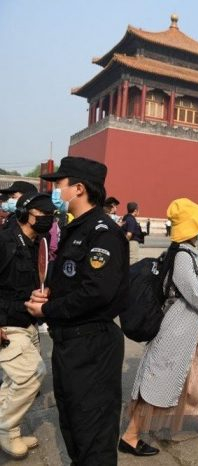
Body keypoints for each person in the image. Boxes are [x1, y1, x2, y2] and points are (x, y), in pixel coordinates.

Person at [119, 198, 198, 456]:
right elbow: (196, 296)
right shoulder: (182, 257)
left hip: (188, 335)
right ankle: (130, 436)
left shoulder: (185, 253)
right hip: (176, 334)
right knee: (156, 385)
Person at [26, 156, 128, 465]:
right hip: (70, 342)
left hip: (92, 344)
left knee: (92, 426)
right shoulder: (75, 228)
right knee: (72, 421)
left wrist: (48, 310)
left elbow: (97, 291)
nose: (56, 190)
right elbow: (73, 279)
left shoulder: (102, 232)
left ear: (79, 188)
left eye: (60, 184)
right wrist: (49, 293)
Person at [0, 193, 54, 459]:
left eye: (50, 216)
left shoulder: (37, 244)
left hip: (28, 322)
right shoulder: (5, 241)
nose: (48, 221)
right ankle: (5, 427)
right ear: (24, 214)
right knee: (32, 374)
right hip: (7, 323)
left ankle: (11, 433)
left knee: (13, 380)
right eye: (42, 216)